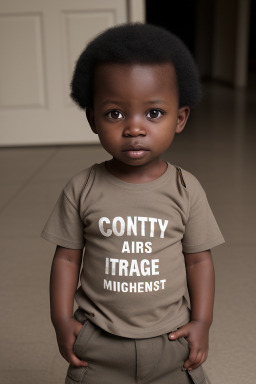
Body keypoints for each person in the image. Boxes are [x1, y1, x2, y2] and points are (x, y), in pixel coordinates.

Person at [41, 23, 224, 384]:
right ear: (93, 118)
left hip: (170, 342)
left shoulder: (187, 189)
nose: (134, 128)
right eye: (115, 113)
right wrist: (62, 320)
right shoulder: (82, 188)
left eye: (153, 113)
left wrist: (202, 322)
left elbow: (199, 260)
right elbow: (65, 258)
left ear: (180, 118)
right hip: (98, 343)